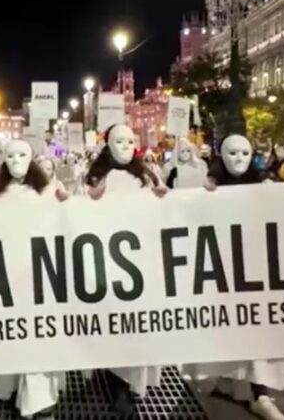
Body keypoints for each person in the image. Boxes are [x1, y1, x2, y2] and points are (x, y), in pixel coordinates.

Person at [183, 134, 284, 420]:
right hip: (221, 270)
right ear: (221, 155)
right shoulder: (208, 188)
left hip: (258, 270)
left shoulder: (267, 185)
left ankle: (261, 394)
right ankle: (224, 377)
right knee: (223, 325)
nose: (239, 159)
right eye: (232, 153)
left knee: (259, 329)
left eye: (245, 153)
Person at [84, 124, 165, 417]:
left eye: (130, 141)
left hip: (141, 262)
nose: (125, 146)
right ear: (108, 144)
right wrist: (88, 199)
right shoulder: (96, 176)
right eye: (118, 141)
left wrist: (163, 198)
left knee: (136, 325)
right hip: (108, 262)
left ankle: (131, 382)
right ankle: (117, 385)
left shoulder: (145, 176)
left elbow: (162, 212)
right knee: (114, 324)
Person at [0, 139, 63, 420]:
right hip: (5, 276)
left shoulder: (47, 191)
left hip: (40, 274)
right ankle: (10, 388)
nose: (17, 160)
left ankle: (39, 399)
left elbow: (63, 222)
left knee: (38, 334)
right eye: (11, 156)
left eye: (22, 155)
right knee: (10, 334)